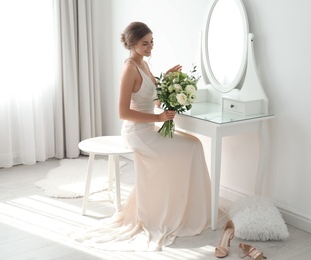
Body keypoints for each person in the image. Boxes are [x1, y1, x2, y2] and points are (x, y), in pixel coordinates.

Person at [75, 21, 212, 252]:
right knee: (191, 148)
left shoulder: (145, 64)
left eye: (152, 42)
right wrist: (159, 119)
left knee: (195, 144)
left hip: (149, 129)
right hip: (137, 132)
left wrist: (167, 81)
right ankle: (171, 209)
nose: (150, 47)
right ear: (132, 44)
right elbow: (123, 112)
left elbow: (154, 99)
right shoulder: (130, 68)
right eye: (145, 43)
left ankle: (186, 207)